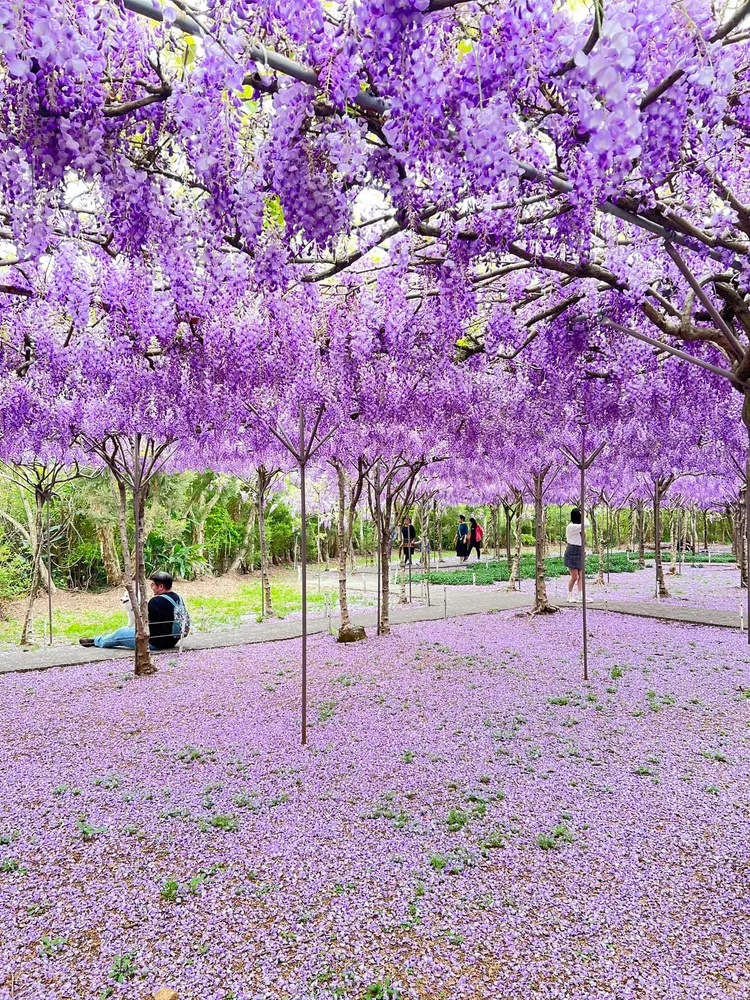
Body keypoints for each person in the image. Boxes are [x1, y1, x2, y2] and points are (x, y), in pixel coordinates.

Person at [79, 572, 186, 650]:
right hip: (172, 640)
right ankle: (99, 639)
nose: (152, 587)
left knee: (120, 633)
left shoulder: (155, 602)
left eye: (153, 584)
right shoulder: (178, 597)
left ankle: (97, 641)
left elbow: (142, 624)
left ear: (161, 586)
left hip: (155, 642)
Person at [564, 509, 585, 603]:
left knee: (581, 575)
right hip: (572, 551)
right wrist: (584, 515)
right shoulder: (571, 527)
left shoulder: (578, 527)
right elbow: (587, 524)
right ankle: (569, 595)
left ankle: (581, 596)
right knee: (574, 576)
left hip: (579, 551)